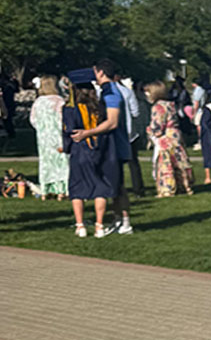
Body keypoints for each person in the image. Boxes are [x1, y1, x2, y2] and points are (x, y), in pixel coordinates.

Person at [71, 60, 134, 234]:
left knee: (117, 185)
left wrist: (87, 133)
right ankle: (119, 220)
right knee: (114, 185)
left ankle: (125, 222)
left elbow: (112, 122)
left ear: (99, 72)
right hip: (110, 145)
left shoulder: (111, 93)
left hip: (116, 146)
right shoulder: (107, 91)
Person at [62, 71, 119, 238]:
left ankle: (80, 226)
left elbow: (69, 131)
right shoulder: (99, 106)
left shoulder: (69, 109)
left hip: (80, 150)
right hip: (99, 149)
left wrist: (66, 147)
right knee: (100, 187)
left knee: (77, 187)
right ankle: (99, 226)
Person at [143, 81, 194, 197]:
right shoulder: (170, 104)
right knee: (178, 161)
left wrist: (150, 131)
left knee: (166, 162)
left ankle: (168, 187)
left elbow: (158, 126)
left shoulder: (157, 107)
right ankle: (184, 185)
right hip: (175, 134)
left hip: (166, 137)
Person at [27, 75, 69, 200]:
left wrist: (42, 128)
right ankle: (62, 189)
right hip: (58, 136)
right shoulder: (60, 101)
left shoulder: (38, 102)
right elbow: (64, 119)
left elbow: (33, 120)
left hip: (44, 137)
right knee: (62, 163)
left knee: (46, 163)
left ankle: (46, 189)